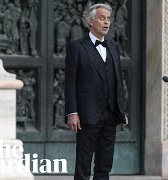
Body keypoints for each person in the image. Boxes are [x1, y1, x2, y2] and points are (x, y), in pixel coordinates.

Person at [65, 3, 128, 180]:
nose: (106, 22)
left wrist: (121, 110)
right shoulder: (77, 47)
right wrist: (72, 112)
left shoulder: (114, 47)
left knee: (105, 165)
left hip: (109, 115)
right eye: (102, 18)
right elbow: (70, 82)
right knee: (83, 164)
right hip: (87, 115)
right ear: (90, 21)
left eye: (108, 18)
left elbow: (118, 81)